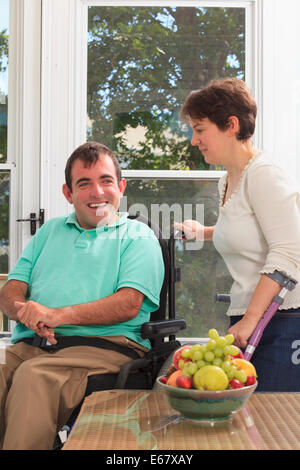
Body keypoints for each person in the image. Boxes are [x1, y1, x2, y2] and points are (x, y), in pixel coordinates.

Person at [0, 141, 164, 450]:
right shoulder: (49, 232)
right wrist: (23, 311)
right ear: (68, 193)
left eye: (106, 181)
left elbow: (129, 303)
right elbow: (11, 289)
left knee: (34, 378)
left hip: (103, 347)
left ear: (121, 186)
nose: (97, 192)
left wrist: (56, 315)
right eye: (84, 183)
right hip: (31, 344)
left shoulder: (137, 236)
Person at [175, 77, 300, 392]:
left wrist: (251, 319)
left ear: (230, 125)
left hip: (282, 321)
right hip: (249, 318)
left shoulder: (264, 175)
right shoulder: (228, 180)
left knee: (276, 426)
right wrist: (203, 232)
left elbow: (288, 251)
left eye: (200, 130)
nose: (194, 140)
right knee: (250, 426)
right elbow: (251, 229)